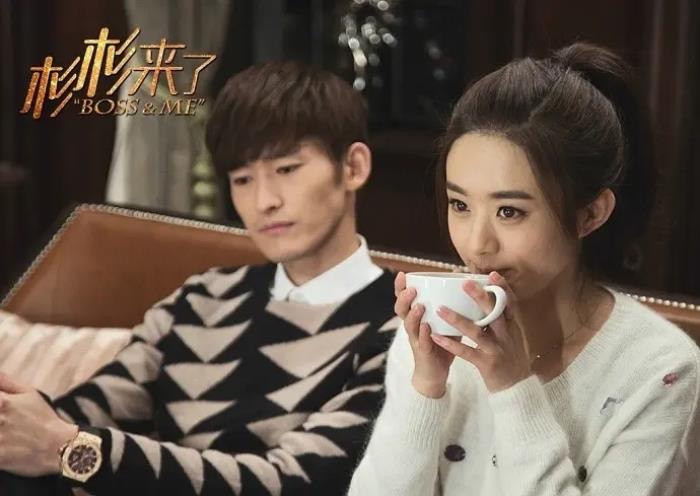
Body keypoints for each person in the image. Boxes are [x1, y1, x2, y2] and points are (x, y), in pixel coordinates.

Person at [0, 60, 399, 495]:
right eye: (242, 179)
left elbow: (294, 483)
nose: (263, 201)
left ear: (353, 167)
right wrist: (23, 423)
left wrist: (74, 449)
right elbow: (84, 413)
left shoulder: (402, 325)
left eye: (287, 169)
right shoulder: (203, 297)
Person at [348, 43, 700, 495]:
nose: (477, 243)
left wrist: (512, 386)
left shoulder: (661, 372)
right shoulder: (436, 335)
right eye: (460, 204)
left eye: (509, 212)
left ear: (590, 214)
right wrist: (425, 386)